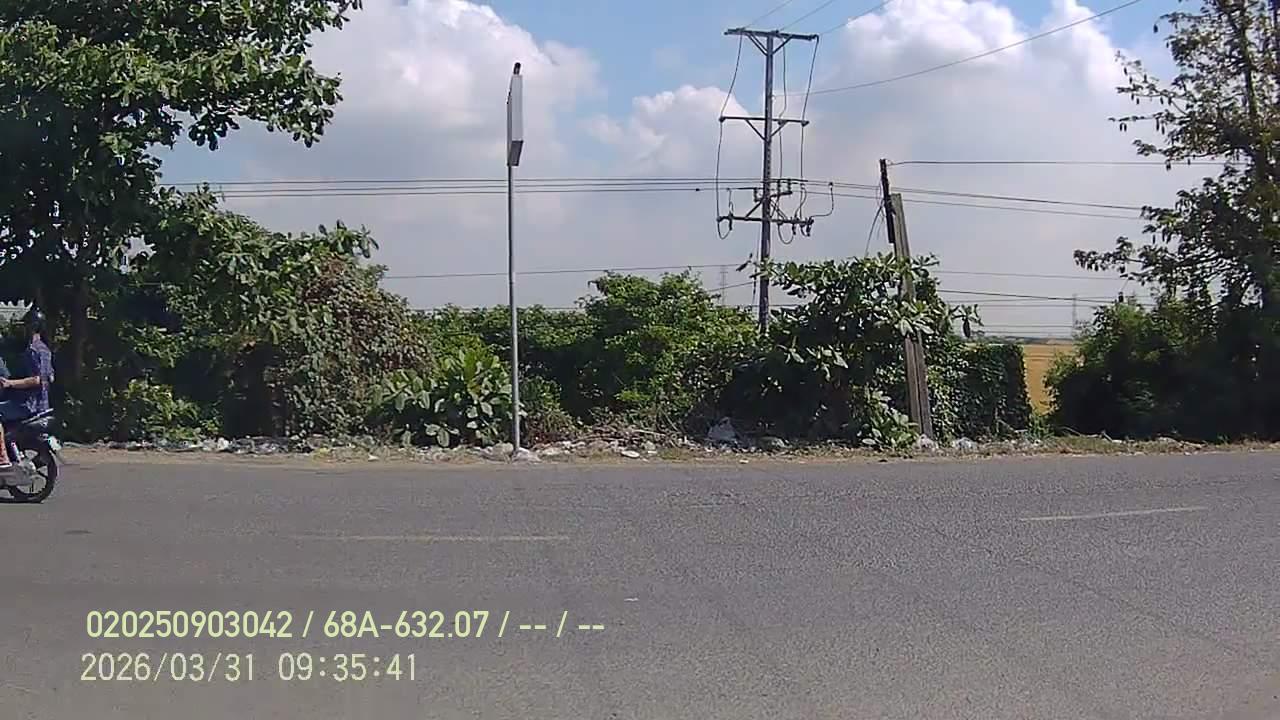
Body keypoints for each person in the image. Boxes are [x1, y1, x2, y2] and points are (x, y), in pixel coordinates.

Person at [0, 308, 54, 469]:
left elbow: (36, 379)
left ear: (32, 327)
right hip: (42, 403)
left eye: (26, 326)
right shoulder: (44, 349)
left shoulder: (33, 350)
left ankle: (2, 457)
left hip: (28, 404)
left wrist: (10, 384)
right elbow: (50, 377)